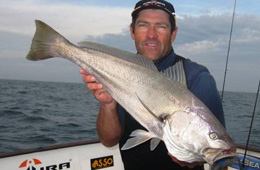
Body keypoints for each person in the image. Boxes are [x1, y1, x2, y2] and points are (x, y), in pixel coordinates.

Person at [80, 0, 225, 169]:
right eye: (143, 25)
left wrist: (195, 159)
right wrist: (108, 105)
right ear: (132, 31)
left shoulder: (197, 77)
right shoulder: (118, 73)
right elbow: (108, 140)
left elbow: (217, 147)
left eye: (161, 26)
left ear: (173, 34)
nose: (151, 34)